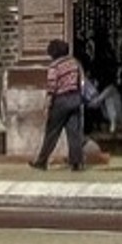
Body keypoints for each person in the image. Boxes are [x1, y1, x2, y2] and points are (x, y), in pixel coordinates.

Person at [33, 39, 87, 170]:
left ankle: (41, 161)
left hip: (60, 101)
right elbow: (81, 81)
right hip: (74, 99)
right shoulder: (74, 62)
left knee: (52, 132)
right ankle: (76, 163)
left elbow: (52, 87)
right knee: (74, 133)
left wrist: (47, 106)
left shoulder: (54, 66)